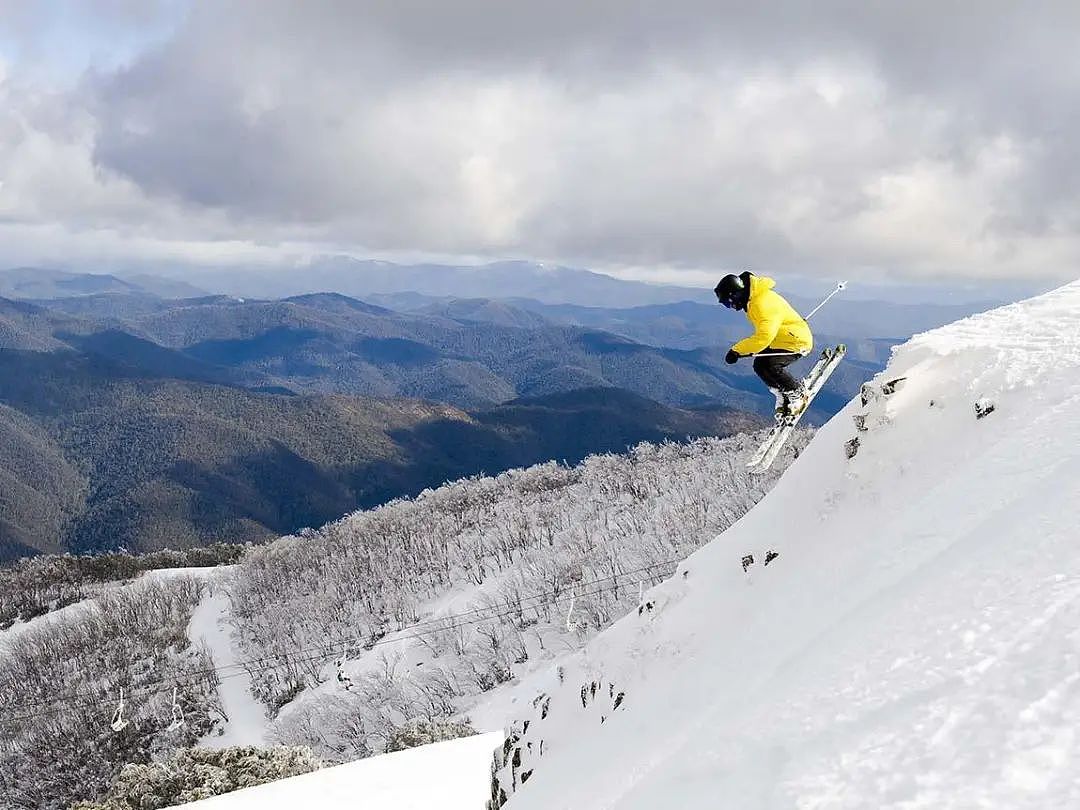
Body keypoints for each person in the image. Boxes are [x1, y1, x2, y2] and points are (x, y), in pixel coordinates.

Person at [714, 271, 813, 417]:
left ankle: (797, 393)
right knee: (759, 365)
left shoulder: (762, 303)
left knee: (771, 365)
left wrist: (736, 351)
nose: (731, 307)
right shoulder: (753, 300)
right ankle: (782, 393)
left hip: (796, 341)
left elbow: (764, 337)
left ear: (735, 294)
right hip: (782, 339)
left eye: (729, 303)